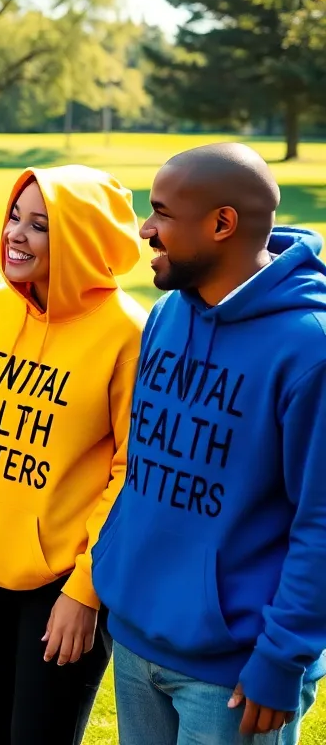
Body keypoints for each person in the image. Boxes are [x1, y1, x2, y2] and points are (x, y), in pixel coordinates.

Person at [94, 143, 326, 745]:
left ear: (222, 224)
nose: (146, 229)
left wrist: (281, 659)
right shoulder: (169, 311)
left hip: (236, 670)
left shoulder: (309, 347)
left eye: (162, 213)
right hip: (138, 634)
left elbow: (320, 520)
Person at [0, 165, 147, 745]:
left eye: (40, 225)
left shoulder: (127, 332)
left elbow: (131, 474)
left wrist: (84, 590)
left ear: (83, 237)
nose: (14, 235)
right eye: (15, 218)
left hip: (59, 588)